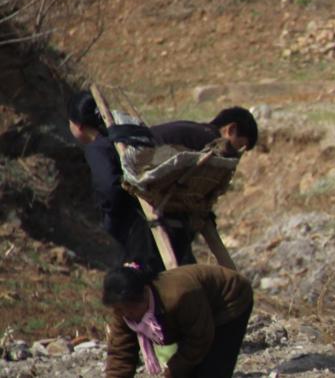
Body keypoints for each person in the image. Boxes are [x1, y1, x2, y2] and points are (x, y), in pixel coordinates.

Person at [68, 92, 196, 270]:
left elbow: (108, 188)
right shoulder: (123, 138)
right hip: (166, 221)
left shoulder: (97, 148)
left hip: (139, 230)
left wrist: (110, 216)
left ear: (78, 125)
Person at [103, 262, 253, 378]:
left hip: (229, 299)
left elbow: (199, 339)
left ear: (142, 298)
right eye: (118, 310)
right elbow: (120, 353)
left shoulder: (179, 297)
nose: (122, 314)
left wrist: (173, 370)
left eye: (125, 309)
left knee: (211, 370)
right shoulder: (123, 312)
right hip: (198, 311)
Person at [150, 107, 260, 155]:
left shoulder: (199, 130)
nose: (237, 152)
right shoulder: (209, 142)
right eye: (240, 145)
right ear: (231, 130)